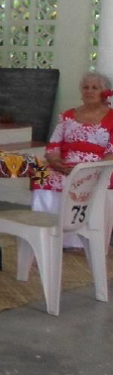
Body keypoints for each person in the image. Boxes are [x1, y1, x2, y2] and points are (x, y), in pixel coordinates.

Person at [31, 71, 113, 248]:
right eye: (85, 87)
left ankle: (77, 239)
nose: (89, 91)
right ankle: (46, 234)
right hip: (65, 166)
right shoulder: (67, 115)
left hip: (97, 169)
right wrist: (55, 162)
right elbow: (53, 145)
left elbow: (111, 154)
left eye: (95, 87)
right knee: (43, 176)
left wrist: (87, 169)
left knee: (79, 180)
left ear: (104, 92)